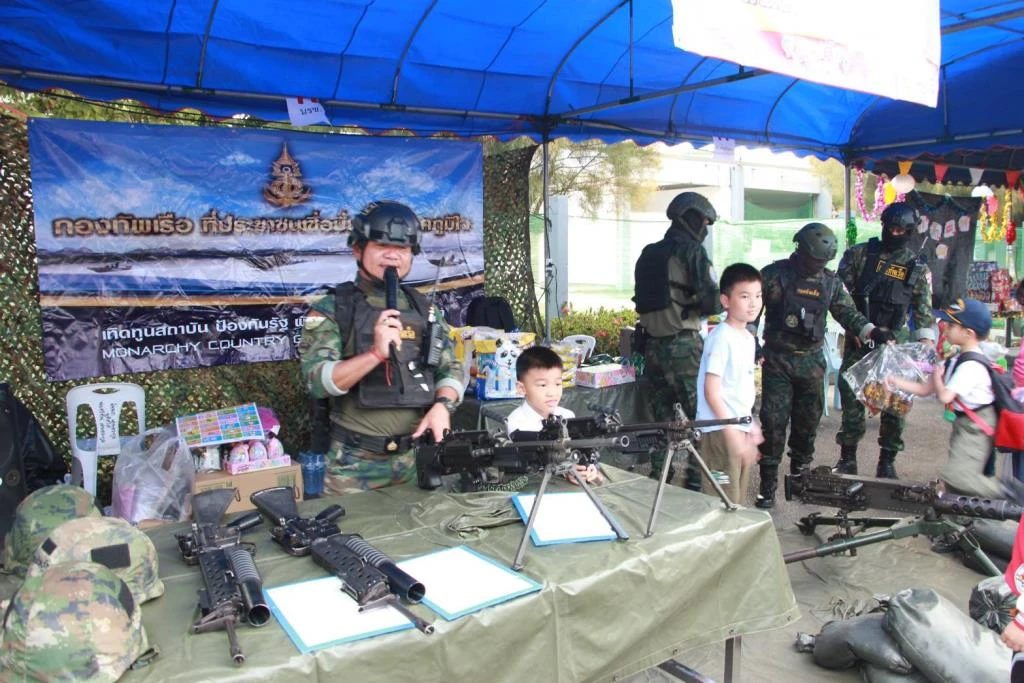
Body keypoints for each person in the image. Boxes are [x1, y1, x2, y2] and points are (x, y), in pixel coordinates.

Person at [299, 200, 464, 495]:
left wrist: (444, 405)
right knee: (354, 541)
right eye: (381, 245)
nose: (392, 256)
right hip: (353, 467)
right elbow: (317, 382)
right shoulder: (332, 310)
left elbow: (450, 368)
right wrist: (374, 354)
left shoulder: (424, 308)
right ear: (357, 250)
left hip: (417, 462)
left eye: (402, 249)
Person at [756, 223, 888, 509]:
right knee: (773, 425)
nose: (818, 265)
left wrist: (871, 331)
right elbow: (752, 309)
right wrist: (748, 338)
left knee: (807, 425)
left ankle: (801, 478)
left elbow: (848, 313)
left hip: (812, 363)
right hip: (777, 361)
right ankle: (767, 486)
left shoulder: (830, 282)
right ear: (800, 249)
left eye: (823, 261)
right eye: (815, 259)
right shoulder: (773, 275)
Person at [835, 202, 935, 478]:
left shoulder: (917, 269)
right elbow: (839, 297)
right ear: (883, 225)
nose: (896, 233)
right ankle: (847, 458)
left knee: (895, 404)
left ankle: (887, 461)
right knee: (853, 400)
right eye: (891, 228)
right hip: (860, 338)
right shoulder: (859, 255)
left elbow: (923, 312)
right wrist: (857, 327)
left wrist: (925, 346)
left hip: (895, 344)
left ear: (911, 231)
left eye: (902, 230)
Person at [633, 191, 722, 491]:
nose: (706, 228)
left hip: (653, 348)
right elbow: (712, 301)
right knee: (699, 418)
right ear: (690, 218)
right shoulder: (692, 252)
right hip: (684, 347)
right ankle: (697, 482)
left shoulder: (649, 252)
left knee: (662, 420)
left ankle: (660, 477)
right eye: (704, 221)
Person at [889, 298, 1004, 499]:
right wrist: (894, 381)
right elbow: (925, 389)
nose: (944, 327)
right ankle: (962, 519)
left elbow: (944, 396)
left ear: (969, 333)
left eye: (951, 325)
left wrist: (938, 376)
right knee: (957, 478)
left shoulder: (971, 366)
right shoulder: (956, 360)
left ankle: (1008, 495)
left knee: (957, 477)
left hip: (976, 428)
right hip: (964, 424)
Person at [694, 263, 764, 504]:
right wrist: (731, 431)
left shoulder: (747, 338)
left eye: (758, 296)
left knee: (736, 500)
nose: (753, 303)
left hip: (737, 426)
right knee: (720, 500)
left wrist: (750, 425)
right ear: (726, 301)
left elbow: (738, 390)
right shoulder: (721, 337)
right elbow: (712, 392)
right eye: (744, 296)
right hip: (719, 430)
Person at [506, 346, 603, 484]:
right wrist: (565, 471)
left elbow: (577, 452)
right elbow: (527, 471)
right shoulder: (516, 424)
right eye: (542, 385)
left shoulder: (567, 416)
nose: (552, 392)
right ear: (522, 388)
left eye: (558, 383)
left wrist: (588, 468)